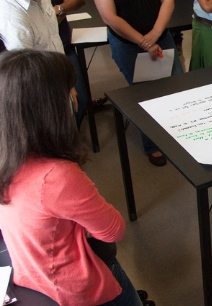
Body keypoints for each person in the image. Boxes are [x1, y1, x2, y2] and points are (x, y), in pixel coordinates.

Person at [0, 49, 148, 306]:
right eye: (70, 89)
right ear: (50, 107)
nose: (75, 94)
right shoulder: (56, 176)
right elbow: (114, 229)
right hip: (77, 285)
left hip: (32, 272)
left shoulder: (8, 154)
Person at [91, 0, 183, 166]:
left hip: (160, 37)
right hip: (129, 45)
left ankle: (178, 137)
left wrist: (154, 35)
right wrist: (142, 41)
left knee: (172, 88)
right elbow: (110, 17)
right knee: (144, 95)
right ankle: (152, 144)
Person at [0, 0, 88, 128]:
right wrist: (62, 88)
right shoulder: (13, 21)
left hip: (58, 79)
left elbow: (51, 36)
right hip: (42, 94)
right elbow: (30, 77)